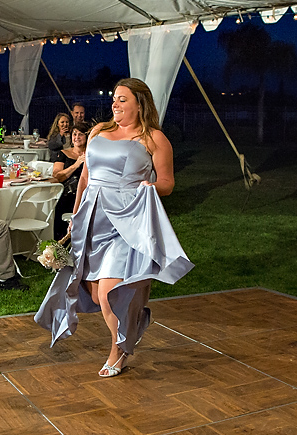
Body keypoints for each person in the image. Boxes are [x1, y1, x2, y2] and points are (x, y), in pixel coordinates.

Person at [35, 78, 194, 378]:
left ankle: (118, 349)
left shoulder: (154, 138)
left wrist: (151, 186)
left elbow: (168, 183)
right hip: (93, 218)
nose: (115, 104)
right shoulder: (99, 131)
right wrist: (75, 216)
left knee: (109, 292)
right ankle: (133, 321)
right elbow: (85, 178)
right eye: (114, 99)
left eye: (122, 99)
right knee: (95, 294)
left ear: (140, 103)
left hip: (127, 220)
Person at [52, 121, 90, 237]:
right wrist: (76, 165)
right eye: (74, 134)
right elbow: (57, 176)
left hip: (86, 195)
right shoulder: (63, 153)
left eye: (80, 134)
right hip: (67, 195)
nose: (77, 137)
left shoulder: (91, 154)